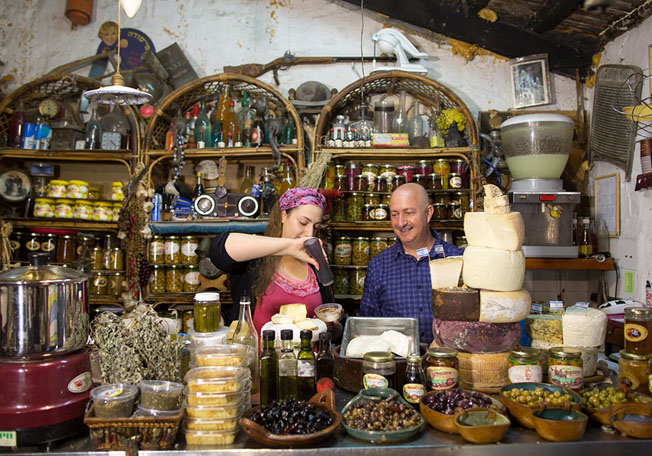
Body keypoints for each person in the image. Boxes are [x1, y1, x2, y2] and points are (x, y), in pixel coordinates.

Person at [209, 187, 332, 336]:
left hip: (306, 358)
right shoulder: (256, 256)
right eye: (303, 222)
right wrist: (290, 246)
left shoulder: (314, 265)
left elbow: (330, 319)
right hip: (258, 358)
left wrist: (332, 327)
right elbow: (218, 250)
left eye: (316, 227)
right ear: (283, 216)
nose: (310, 233)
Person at [359, 183, 463, 344]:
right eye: (394, 214)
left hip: (448, 362)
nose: (401, 223)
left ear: (428, 213)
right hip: (396, 364)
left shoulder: (457, 260)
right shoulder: (379, 265)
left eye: (408, 213)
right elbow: (367, 327)